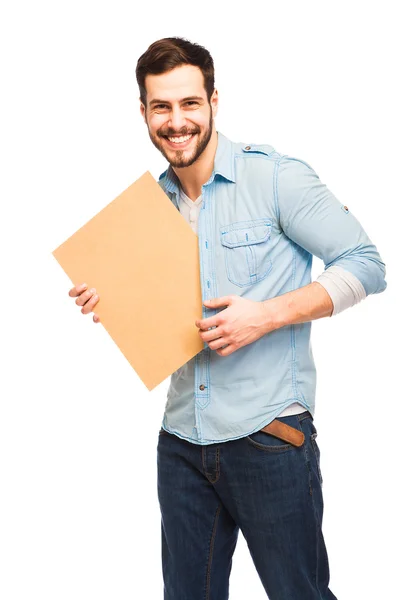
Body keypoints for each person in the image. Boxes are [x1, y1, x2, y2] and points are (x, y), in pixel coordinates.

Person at [68, 37, 387, 600]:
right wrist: (113, 304)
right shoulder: (149, 209)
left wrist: (265, 315)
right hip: (182, 441)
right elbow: (161, 315)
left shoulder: (276, 178)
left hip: (268, 435)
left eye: (189, 103)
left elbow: (366, 265)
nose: (176, 121)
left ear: (214, 100)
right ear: (143, 112)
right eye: (161, 107)